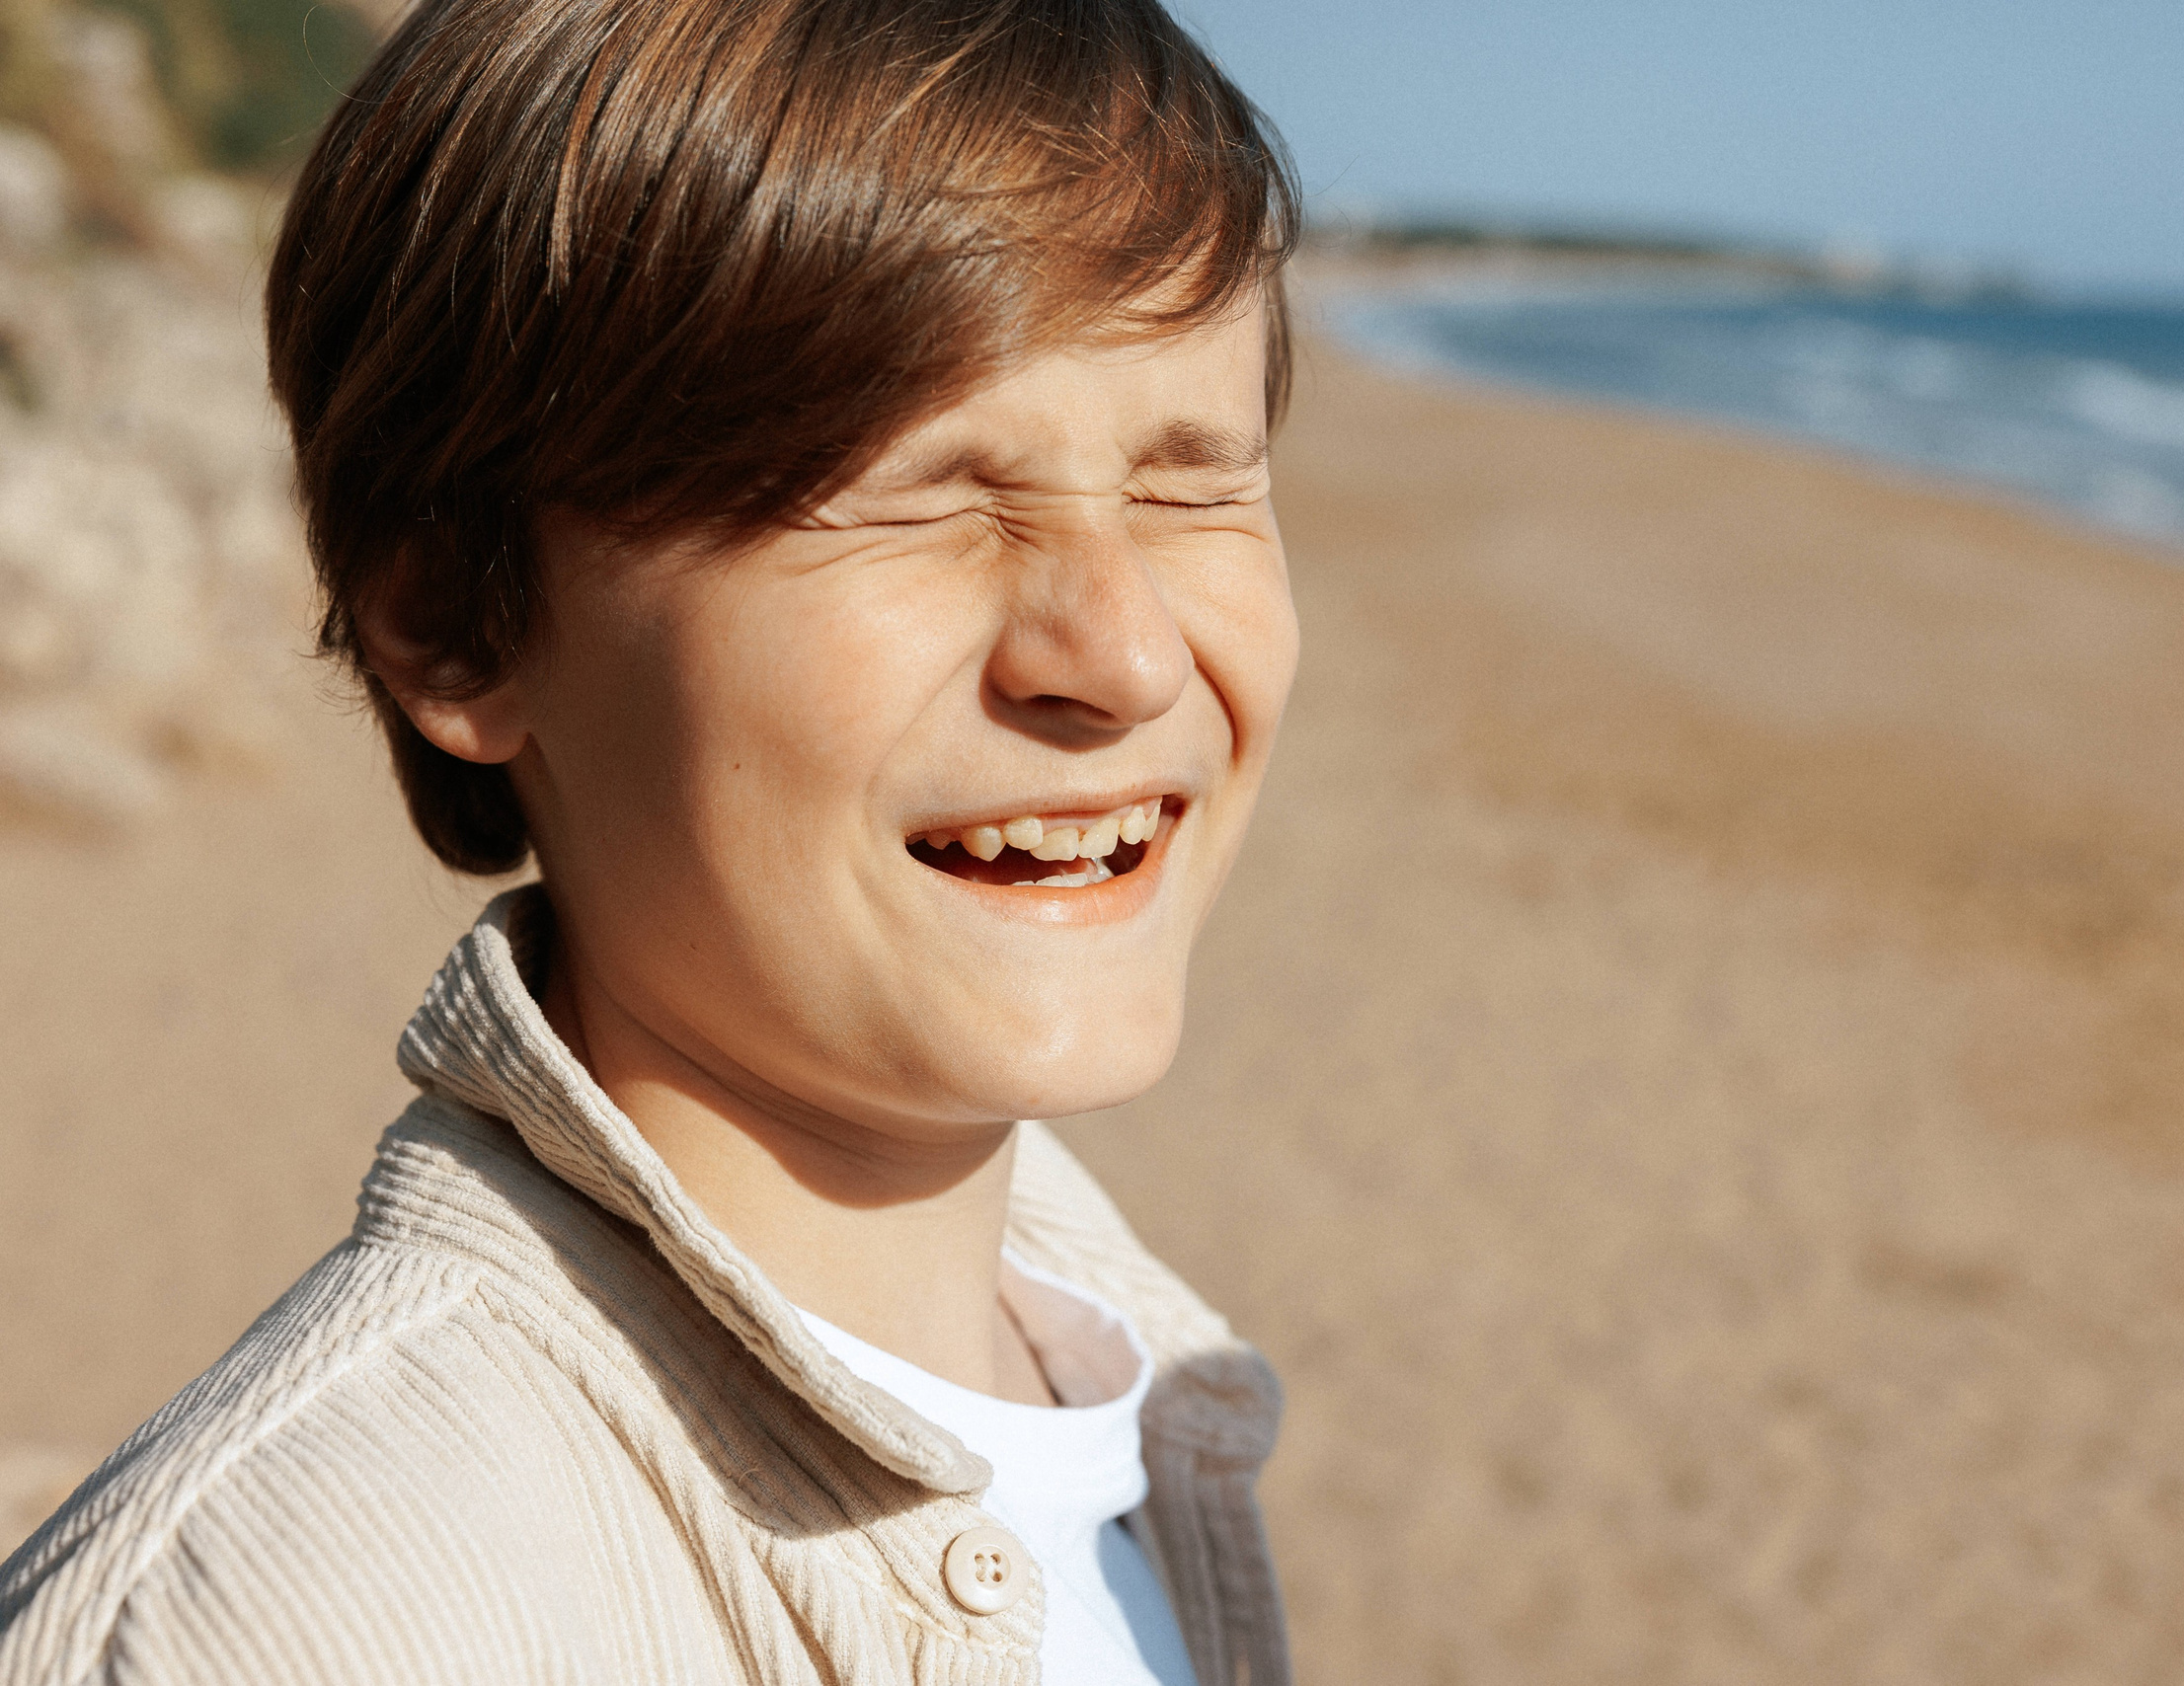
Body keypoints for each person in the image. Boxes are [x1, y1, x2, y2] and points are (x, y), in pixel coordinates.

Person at [0, 1, 1300, 1681]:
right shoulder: (293, 1630)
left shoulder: (1136, 1412)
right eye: (917, 495)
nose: (1121, 655)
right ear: (461, 625)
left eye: (1194, 483)